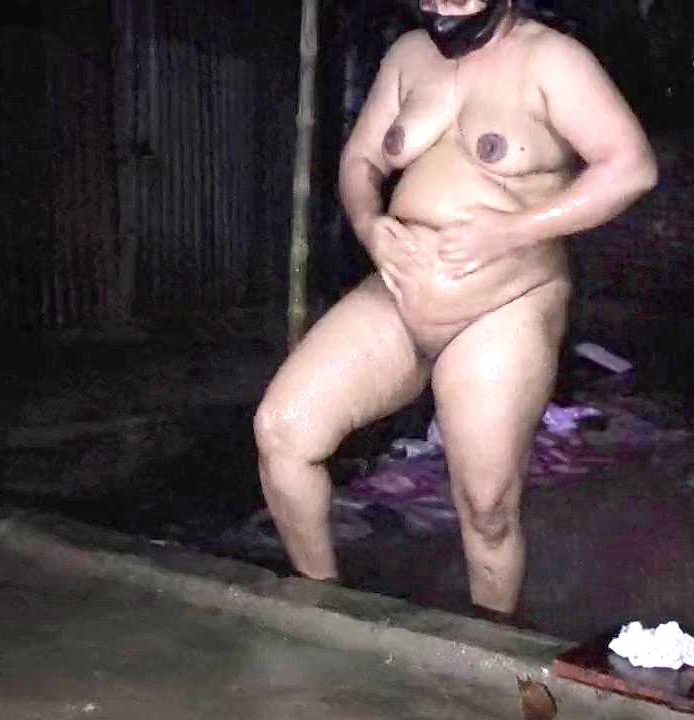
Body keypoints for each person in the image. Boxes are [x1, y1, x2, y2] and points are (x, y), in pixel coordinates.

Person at [253, 0, 657, 623]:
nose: (445, 5)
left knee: (488, 507)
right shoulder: (410, 56)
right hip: (398, 294)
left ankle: (488, 645)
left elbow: (630, 167)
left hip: (503, 305)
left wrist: (513, 229)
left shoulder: (551, 59)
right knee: (283, 432)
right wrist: (370, 224)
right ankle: (321, 608)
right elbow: (361, 161)